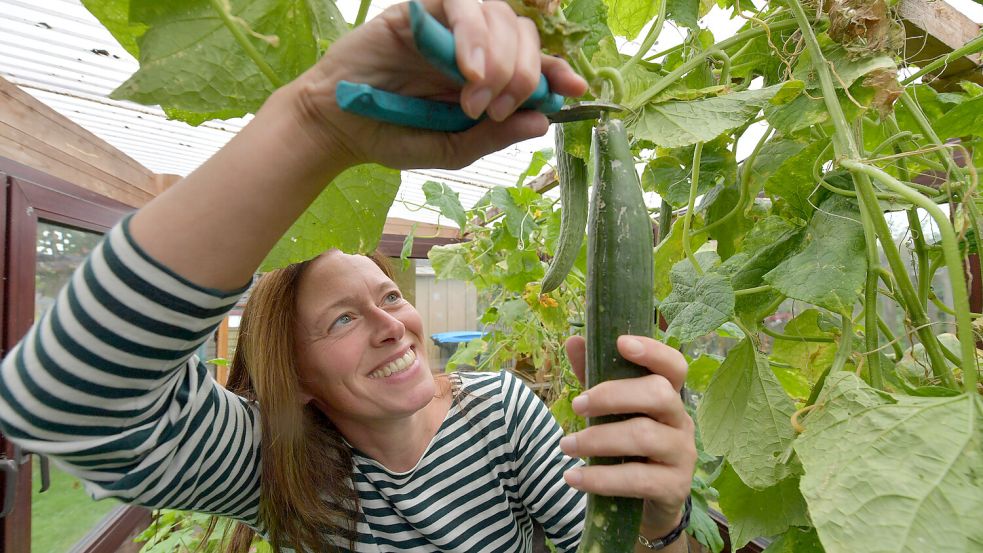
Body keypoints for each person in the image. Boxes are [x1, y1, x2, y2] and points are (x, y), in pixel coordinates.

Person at [0, 0, 697, 551]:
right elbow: (64, 403)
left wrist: (658, 526)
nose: (392, 323)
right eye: (342, 319)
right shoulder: (276, 463)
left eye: (389, 295)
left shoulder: (499, 414)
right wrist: (312, 123)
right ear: (296, 376)